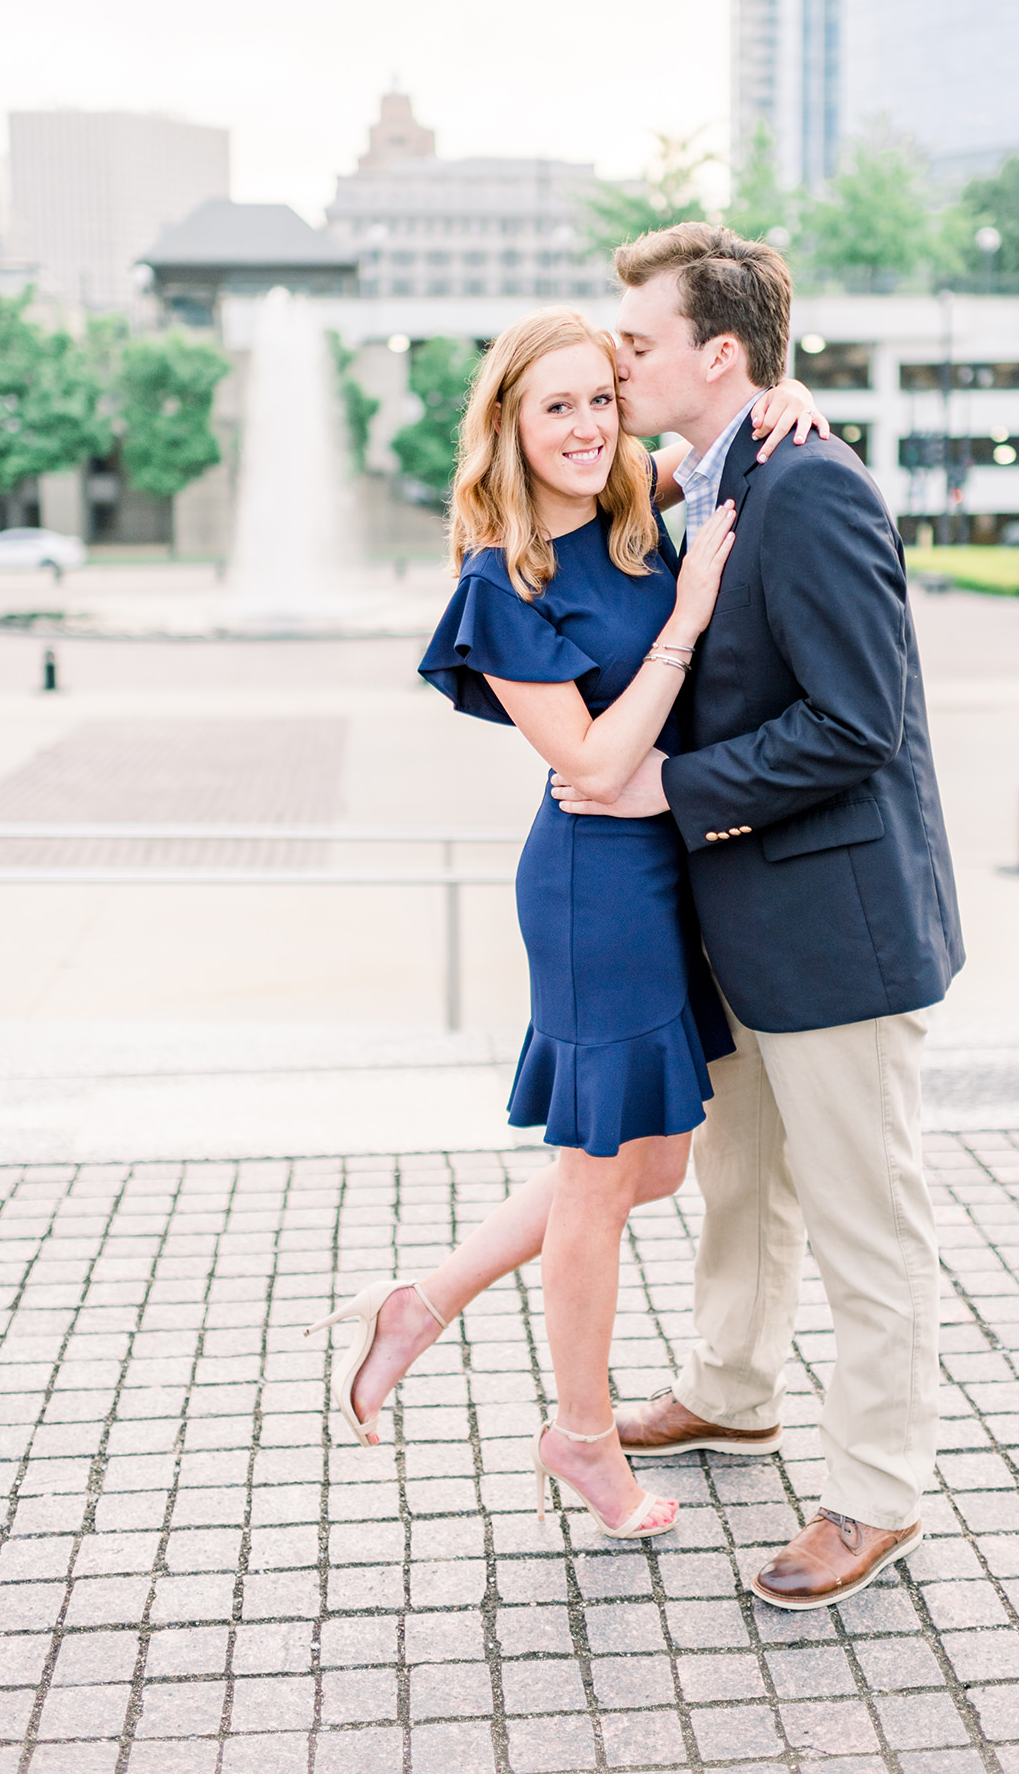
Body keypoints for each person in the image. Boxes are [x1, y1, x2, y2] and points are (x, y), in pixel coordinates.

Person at [304, 306, 826, 1542]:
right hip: (597, 886)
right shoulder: (503, 583)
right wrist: (688, 617)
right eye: (558, 408)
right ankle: (581, 1442)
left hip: (672, 868)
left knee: (653, 1161)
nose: (590, 426)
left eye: (602, 397)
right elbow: (590, 760)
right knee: (601, 1182)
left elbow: (730, 429)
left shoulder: (634, 491)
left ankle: (420, 1303)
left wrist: (794, 401)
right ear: (508, 425)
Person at [551, 221, 964, 1608]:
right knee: (741, 1185)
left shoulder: (811, 489)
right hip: (742, 929)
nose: (617, 360)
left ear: (720, 355)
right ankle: (730, 1392)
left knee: (866, 1222)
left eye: (642, 340)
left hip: (836, 932)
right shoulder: (703, 472)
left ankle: (875, 1493)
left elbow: (861, 722)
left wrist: (675, 786)